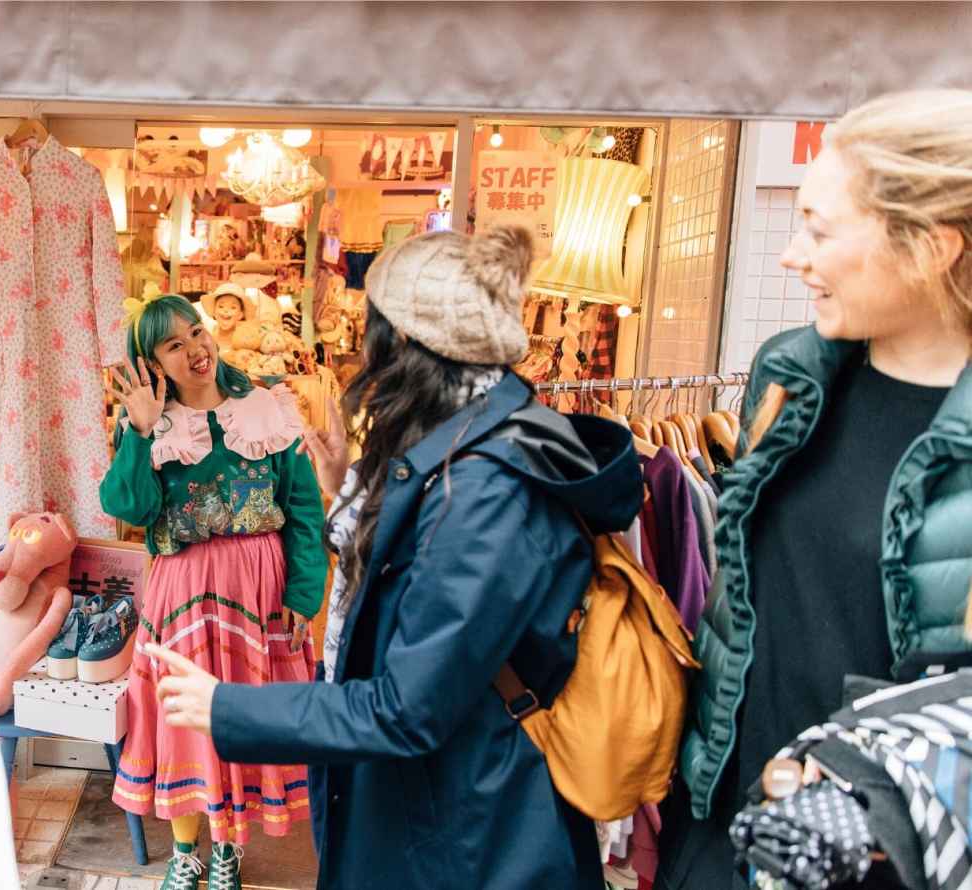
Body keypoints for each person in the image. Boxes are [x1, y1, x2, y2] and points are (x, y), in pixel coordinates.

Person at [150, 227, 644, 889]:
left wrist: (229, 708)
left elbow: (406, 708)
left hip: (468, 835)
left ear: (411, 343)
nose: (365, 356)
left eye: (375, 334)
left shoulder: (488, 489)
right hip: (445, 805)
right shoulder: (476, 436)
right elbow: (417, 580)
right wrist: (342, 486)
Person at [660, 89, 972, 888]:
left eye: (819, 229)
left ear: (932, 247)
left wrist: (856, 790)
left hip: (869, 855)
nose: (793, 255)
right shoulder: (789, 376)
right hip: (727, 826)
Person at [100, 293, 326, 890]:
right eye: (173, 345)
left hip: (259, 584)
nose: (195, 349)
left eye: (194, 333)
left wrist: (305, 592)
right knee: (182, 721)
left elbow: (303, 507)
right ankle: (185, 852)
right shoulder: (145, 425)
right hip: (183, 587)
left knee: (240, 716)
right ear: (152, 363)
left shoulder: (267, 407)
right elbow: (129, 507)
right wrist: (142, 434)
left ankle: (226, 847)